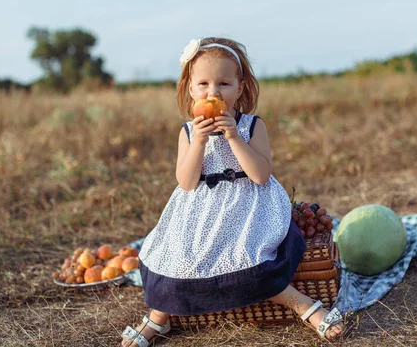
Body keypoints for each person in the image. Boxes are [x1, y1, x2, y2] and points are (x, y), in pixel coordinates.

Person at [121, 37, 344, 347]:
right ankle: (159, 318)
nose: (213, 92)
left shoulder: (252, 126)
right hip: (199, 213)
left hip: (248, 206)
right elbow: (186, 182)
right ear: (191, 89)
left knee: (250, 257)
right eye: (203, 84)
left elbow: (261, 175)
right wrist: (199, 142)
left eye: (223, 83)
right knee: (178, 259)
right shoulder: (188, 132)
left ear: (240, 88)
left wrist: (234, 137)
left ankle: (302, 305)